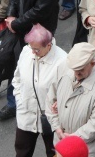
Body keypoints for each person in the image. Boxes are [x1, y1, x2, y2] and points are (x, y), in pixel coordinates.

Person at [1, 0, 63, 120]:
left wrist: (16, 24)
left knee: (37, 65)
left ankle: (41, 103)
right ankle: (15, 102)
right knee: (18, 63)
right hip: (21, 23)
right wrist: (12, 15)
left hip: (38, 29)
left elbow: (40, 10)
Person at [46, 43, 95, 157]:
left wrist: (73, 138)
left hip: (86, 150)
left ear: (93, 63)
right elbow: (50, 99)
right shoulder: (64, 66)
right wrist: (56, 127)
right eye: (74, 69)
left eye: (81, 70)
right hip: (62, 146)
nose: (76, 73)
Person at [12, 24, 67, 157]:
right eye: (31, 47)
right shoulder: (27, 51)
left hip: (51, 117)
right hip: (27, 113)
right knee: (22, 151)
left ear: (48, 45)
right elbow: (17, 79)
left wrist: (59, 103)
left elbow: (68, 91)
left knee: (53, 152)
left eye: (36, 49)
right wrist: (20, 100)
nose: (32, 52)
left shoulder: (63, 61)